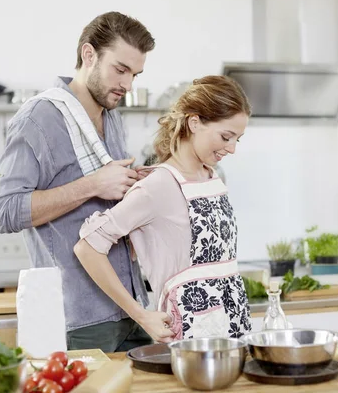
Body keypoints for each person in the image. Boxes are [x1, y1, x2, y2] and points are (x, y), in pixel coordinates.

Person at [0, 11, 156, 352]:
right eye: (120, 69)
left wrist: (130, 184)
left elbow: (104, 199)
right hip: (80, 318)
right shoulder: (38, 118)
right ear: (88, 54)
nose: (127, 85)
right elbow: (3, 212)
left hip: (131, 308)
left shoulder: (113, 118)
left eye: (134, 74)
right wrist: (93, 185)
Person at [74, 75, 253, 343]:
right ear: (195, 123)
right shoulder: (158, 185)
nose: (232, 148)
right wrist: (141, 315)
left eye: (237, 139)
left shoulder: (212, 178)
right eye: (226, 137)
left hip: (234, 332)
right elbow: (87, 248)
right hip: (188, 346)